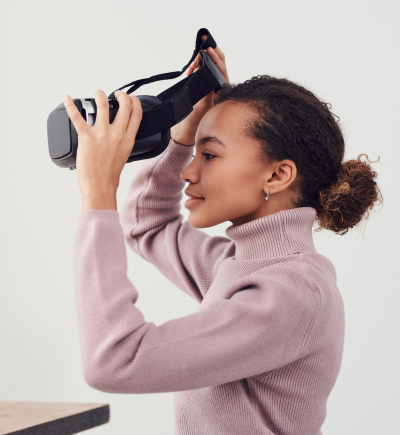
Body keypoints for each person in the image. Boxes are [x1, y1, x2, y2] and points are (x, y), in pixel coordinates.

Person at [72, 36, 383, 435]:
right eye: (195, 154)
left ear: (277, 175)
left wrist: (98, 192)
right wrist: (184, 136)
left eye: (211, 154)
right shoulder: (238, 266)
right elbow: (146, 223)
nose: (188, 171)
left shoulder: (290, 292)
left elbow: (116, 361)